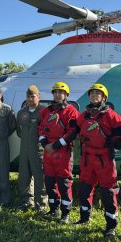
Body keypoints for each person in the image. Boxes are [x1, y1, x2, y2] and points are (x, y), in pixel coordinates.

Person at [75, 84, 121, 237]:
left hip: (104, 160)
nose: (94, 96)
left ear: (104, 97)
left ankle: (111, 225)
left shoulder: (111, 115)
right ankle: (84, 217)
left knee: (108, 193)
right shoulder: (84, 115)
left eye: (98, 94)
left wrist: (111, 143)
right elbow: (74, 129)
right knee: (84, 189)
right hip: (87, 159)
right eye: (92, 93)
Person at [38, 81, 79, 223]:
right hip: (48, 152)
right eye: (55, 92)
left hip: (63, 152)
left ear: (66, 95)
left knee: (64, 183)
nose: (57, 94)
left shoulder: (71, 111)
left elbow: (72, 132)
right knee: (49, 182)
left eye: (61, 92)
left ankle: (65, 213)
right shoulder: (46, 111)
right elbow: (40, 128)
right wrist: (44, 143)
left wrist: (55, 145)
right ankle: (53, 209)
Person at [16, 85, 47, 211]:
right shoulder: (21, 112)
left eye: (33, 96)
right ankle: (26, 201)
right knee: (24, 176)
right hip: (24, 149)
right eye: (28, 96)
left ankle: (41, 204)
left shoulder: (43, 112)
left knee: (40, 177)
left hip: (38, 150)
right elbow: (19, 131)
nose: (30, 99)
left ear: (38, 97)